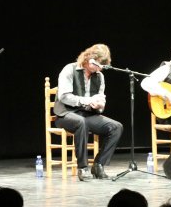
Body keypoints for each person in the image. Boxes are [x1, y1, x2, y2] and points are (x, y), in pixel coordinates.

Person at [53, 43, 124, 181]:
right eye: (97, 64)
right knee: (81, 122)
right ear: (89, 58)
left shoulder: (99, 76)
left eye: (101, 66)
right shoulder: (70, 69)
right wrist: (86, 100)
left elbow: (99, 100)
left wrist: (99, 105)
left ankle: (98, 165)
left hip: (87, 114)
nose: (99, 69)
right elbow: (64, 96)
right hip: (66, 114)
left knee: (116, 127)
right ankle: (83, 168)